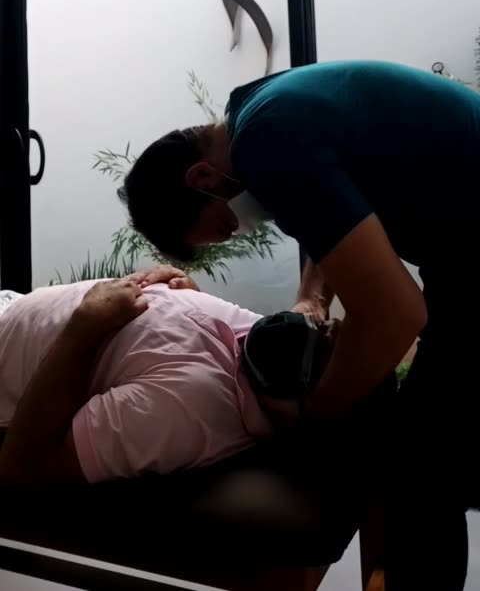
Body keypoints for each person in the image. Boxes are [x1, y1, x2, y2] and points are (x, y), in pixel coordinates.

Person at [121, 59, 480, 590]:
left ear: (203, 178)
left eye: (227, 225)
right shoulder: (258, 108)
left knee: (421, 469)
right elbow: (333, 215)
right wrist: (312, 296)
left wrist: (314, 418)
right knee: (428, 459)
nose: (242, 228)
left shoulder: (266, 139)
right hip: (461, 260)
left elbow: (397, 313)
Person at [0, 266, 278, 486]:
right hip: (12, 301)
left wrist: (85, 327)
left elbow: (23, 466)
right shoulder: (266, 340)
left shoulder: (184, 406)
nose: (298, 326)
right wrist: (183, 301)